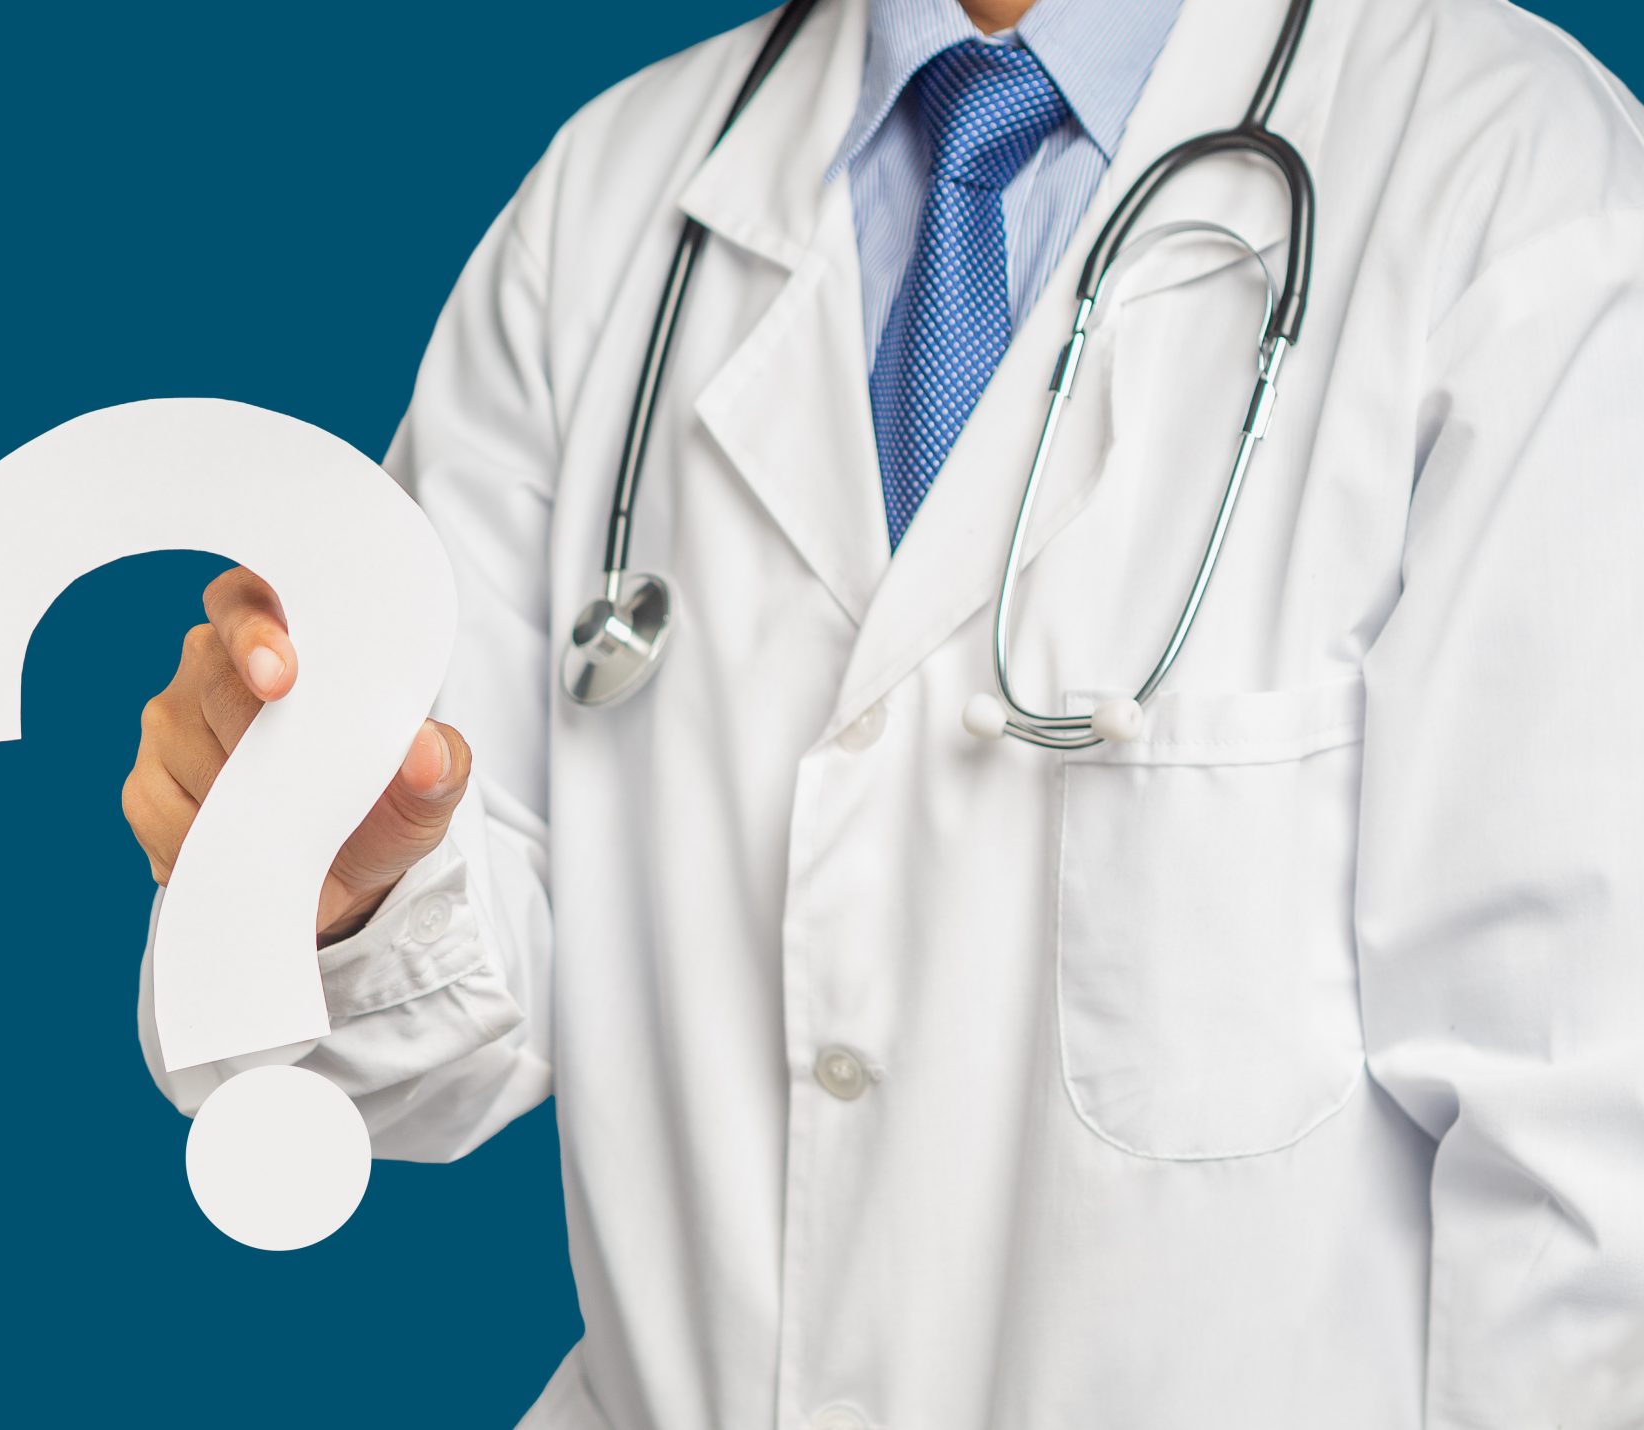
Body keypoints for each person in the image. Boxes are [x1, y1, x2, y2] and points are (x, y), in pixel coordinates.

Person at [122, 0, 1644, 1424]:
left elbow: (1590, 1173)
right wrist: (333, 883)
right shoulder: (612, 207)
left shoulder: (1514, 190)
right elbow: (405, 1050)